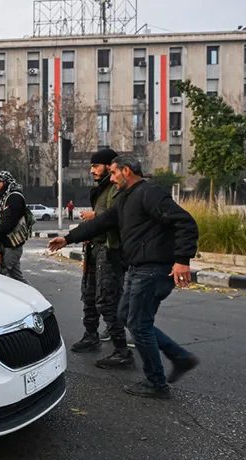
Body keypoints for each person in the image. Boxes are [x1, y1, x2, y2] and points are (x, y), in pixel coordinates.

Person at [48, 155, 200, 399]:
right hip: (137, 268)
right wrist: (68, 238)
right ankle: (180, 357)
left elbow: (185, 223)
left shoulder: (149, 193)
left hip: (153, 269)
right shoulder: (124, 199)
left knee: (139, 324)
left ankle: (156, 383)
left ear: (126, 171)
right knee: (126, 316)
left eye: (114, 172)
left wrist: (182, 260)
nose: (112, 177)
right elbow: (101, 223)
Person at [71, 148, 135, 369]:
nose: (91, 171)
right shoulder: (100, 189)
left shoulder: (116, 189)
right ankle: (91, 336)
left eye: (95, 166)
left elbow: (116, 217)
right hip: (94, 249)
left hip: (110, 251)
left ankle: (121, 350)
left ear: (109, 167)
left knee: (106, 300)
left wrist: (94, 217)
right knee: (88, 295)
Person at [0, 171, 34, 284]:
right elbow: (2, 217)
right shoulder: (6, 196)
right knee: (17, 279)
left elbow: (8, 223)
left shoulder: (15, 198)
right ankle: (30, 296)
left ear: (5, 182)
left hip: (12, 245)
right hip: (7, 244)